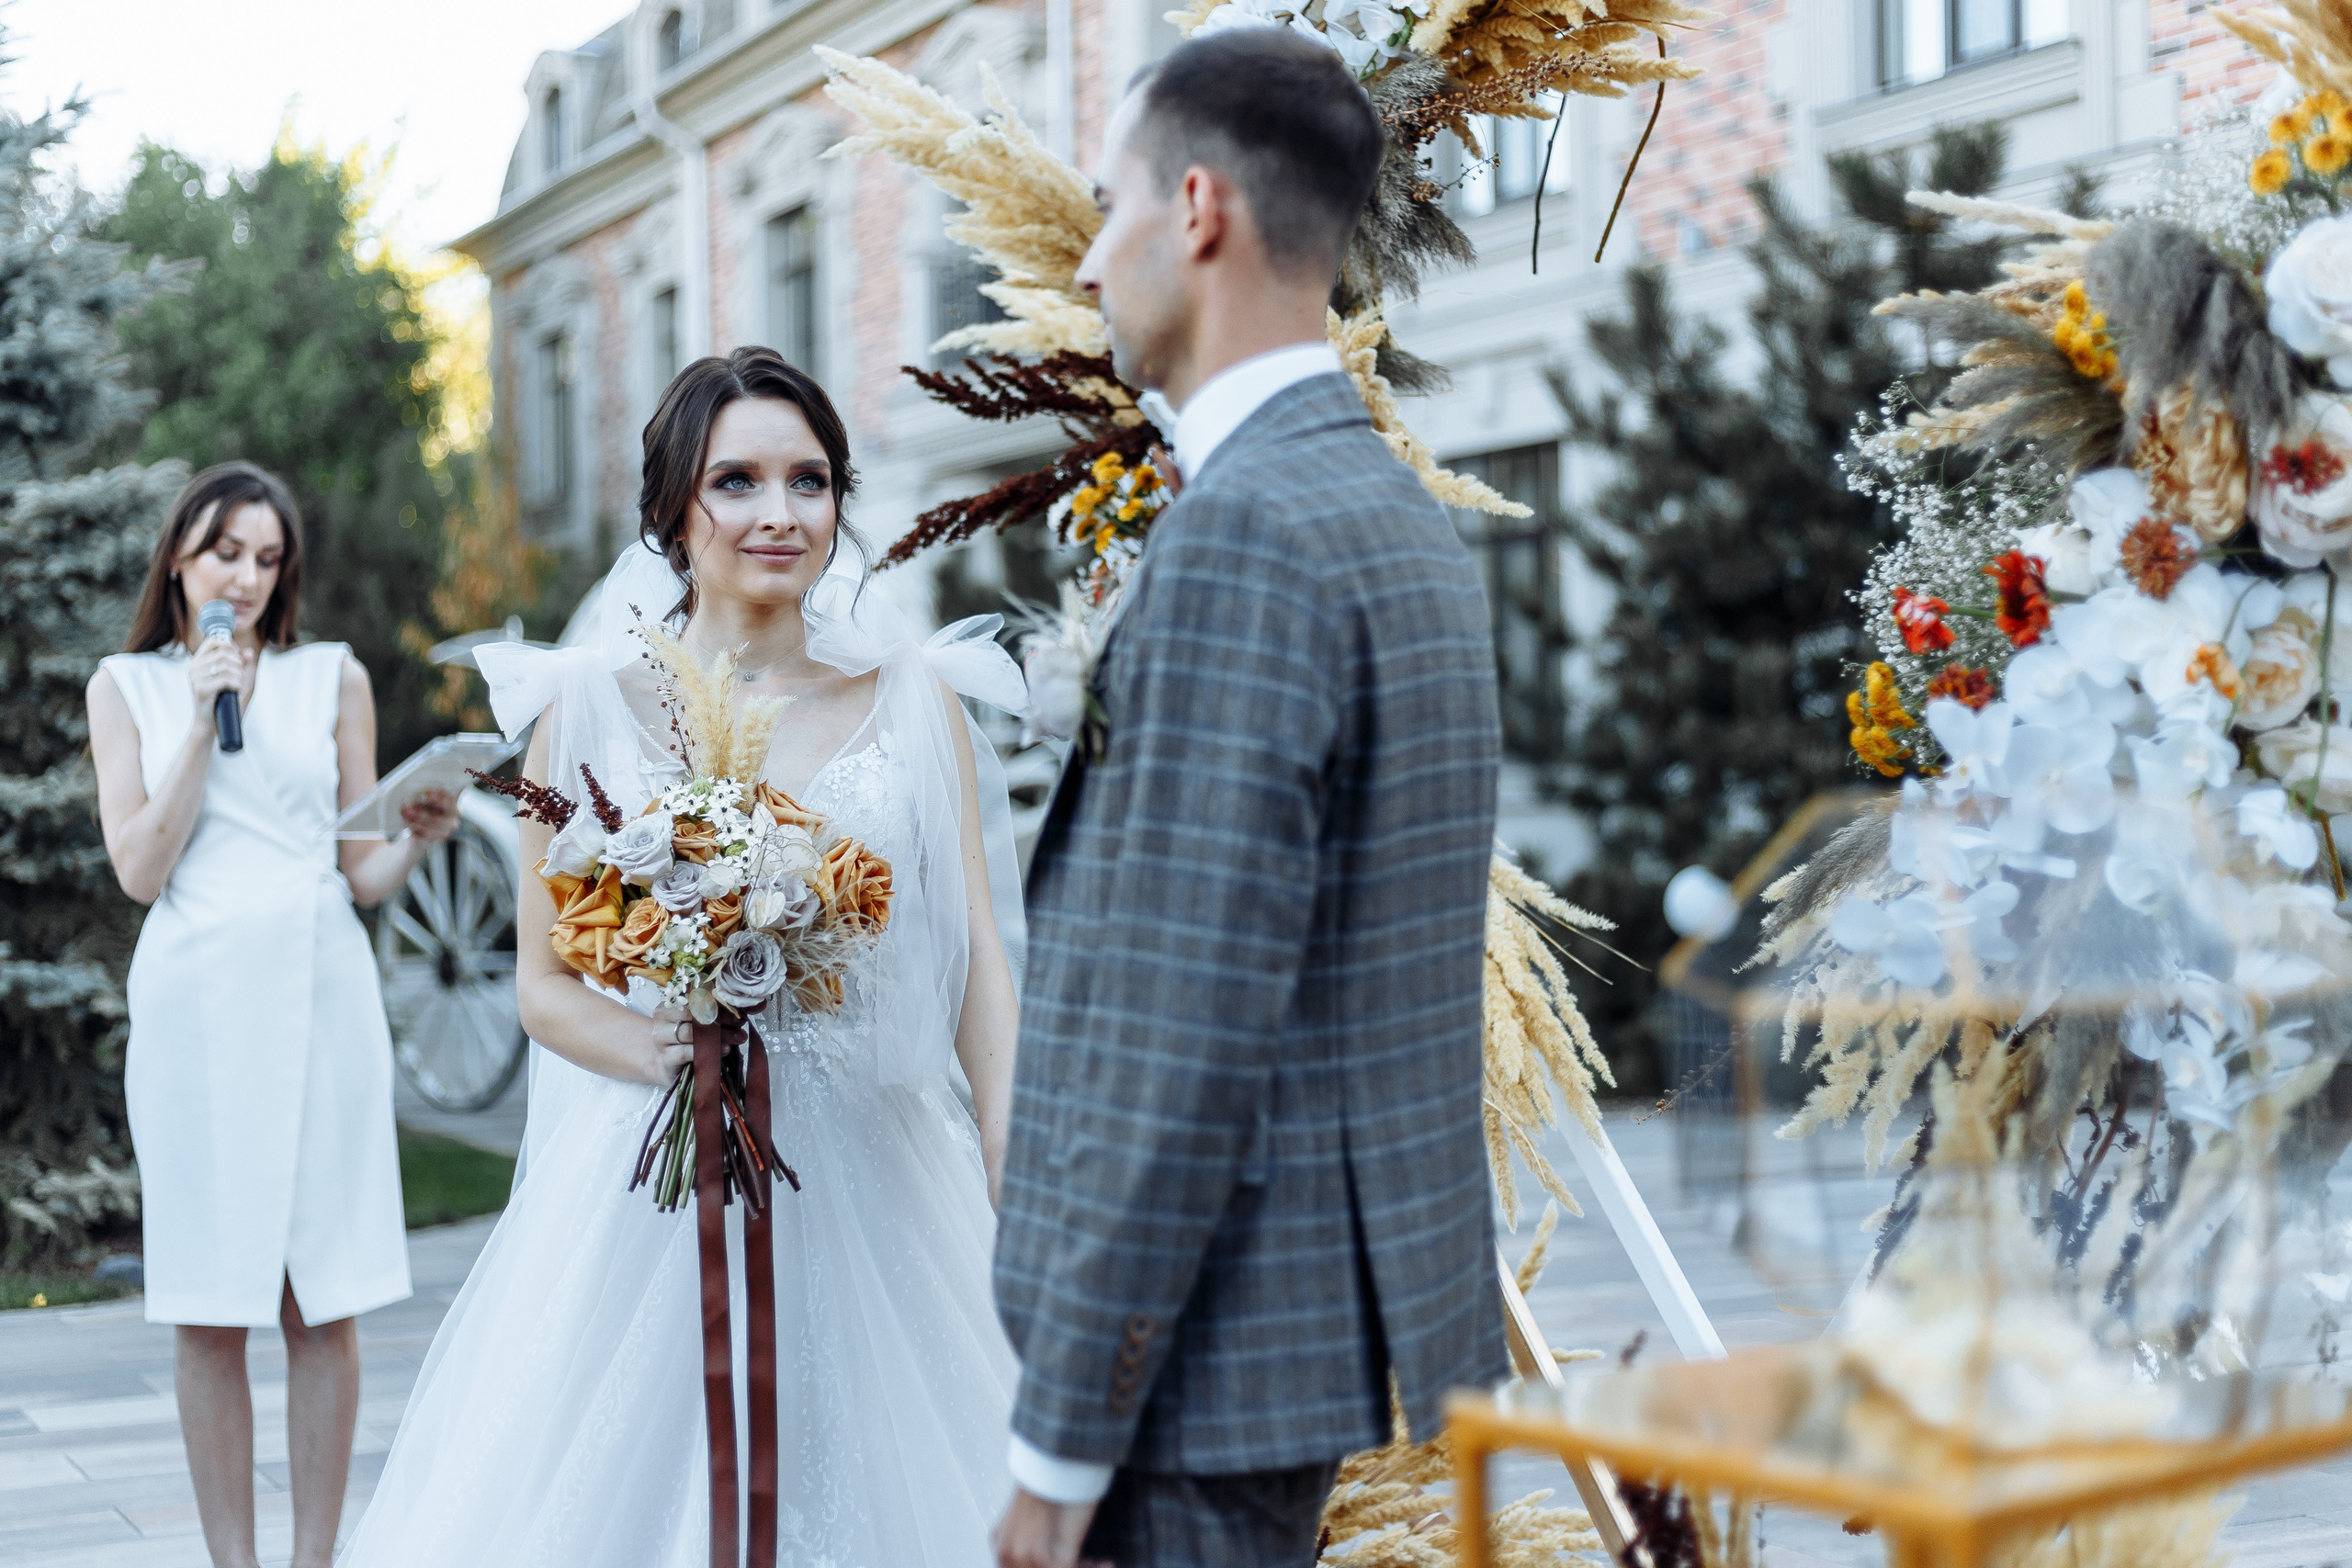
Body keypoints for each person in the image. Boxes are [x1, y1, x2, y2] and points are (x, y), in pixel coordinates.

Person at [339, 346, 1031, 1564]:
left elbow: (977, 950)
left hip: (877, 1168)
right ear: (673, 507)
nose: (781, 514)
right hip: (650, 1185)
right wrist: (672, 1041)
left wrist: (1006, 1155)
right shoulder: (591, 702)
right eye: (739, 482)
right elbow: (545, 985)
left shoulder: (916, 699)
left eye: (810, 481)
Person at [989, 28, 1509, 1568]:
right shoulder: (1396, 514)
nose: (1089, 261)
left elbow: (1182, 1038)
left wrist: (1059, 1445)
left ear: (1198, 210)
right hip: (1305, 1329)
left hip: (1194, 1370)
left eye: (1109, 206)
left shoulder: (1248, 535)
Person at [86, 460, 459, 1568]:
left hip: (321, 993)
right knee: (208, 1302)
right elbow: (140, 872)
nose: (246, 579)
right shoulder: (127, 688)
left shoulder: (332, 678)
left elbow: (359, 873)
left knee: (324, 1302)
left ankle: (313, 1562)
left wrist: (414, 832)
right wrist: (201, 724)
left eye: (266, 558)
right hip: (199, 1004)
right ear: (179, 559)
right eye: (224, 554)